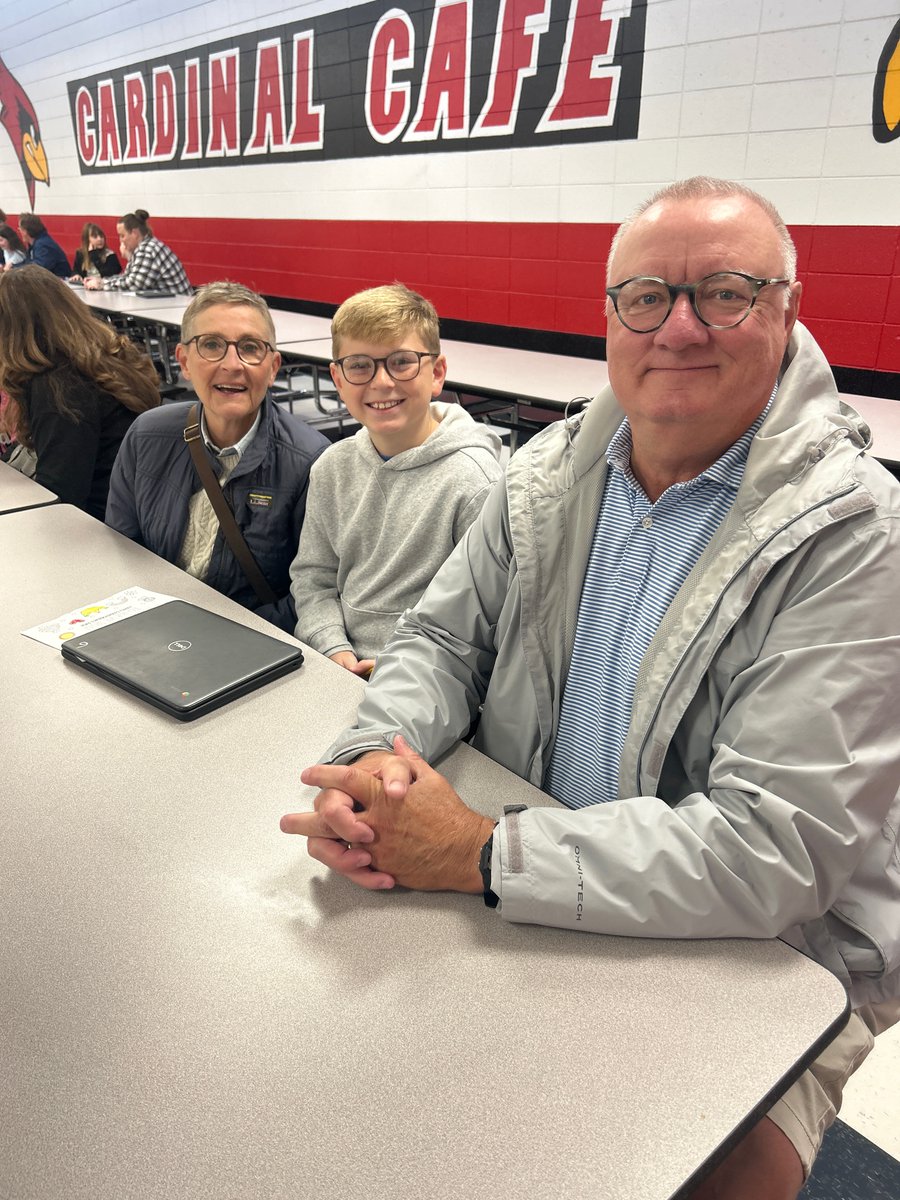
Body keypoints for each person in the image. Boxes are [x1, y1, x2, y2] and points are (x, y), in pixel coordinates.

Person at [281, 178, 900, 1198]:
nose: (680, 328)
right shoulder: (547, 473)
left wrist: (479, 851)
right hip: (539, 863)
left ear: (788, 309)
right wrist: (374, 763)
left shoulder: (857, 532)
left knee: (701, 1178)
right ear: (611, 316)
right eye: (647, 298)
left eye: (727, 293)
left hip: (777, 946)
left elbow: (776, 849)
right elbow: (440, 640)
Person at [289, 283, 503, 676]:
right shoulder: (331, 468)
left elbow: (487, 617)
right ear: (338, 379)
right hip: (335, 665)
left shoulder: (475, 483)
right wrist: (332, 645)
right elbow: (313, 577)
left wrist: (402, 667)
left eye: (402, 362)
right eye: (359, 366)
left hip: (429, 678)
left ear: (437, 373)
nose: (382, 382)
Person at [106, 281, 329, 631]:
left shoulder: (311, 463)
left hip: (250, 641)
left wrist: (217, 637)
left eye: (250, 347)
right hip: (149, 627)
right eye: (211, 345)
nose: (232, 364)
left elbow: (311, 594)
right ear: (184, 361)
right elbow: (121, 550)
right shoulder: (146, 436)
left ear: (273, 367)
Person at [0, 265, 161, 517]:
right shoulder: (91, 358)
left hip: (100, 525)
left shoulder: (58, 387)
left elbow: (60, 496)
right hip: (125, 509)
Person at [84, 208, 190, 295]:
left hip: (179, 309)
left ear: (134, 233)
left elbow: (134, 284)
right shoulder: (145, 246)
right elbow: (128, 277)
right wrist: (101, 281)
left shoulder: (147, 250)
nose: (121, 240)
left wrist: (102, 284)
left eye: (122, 236)